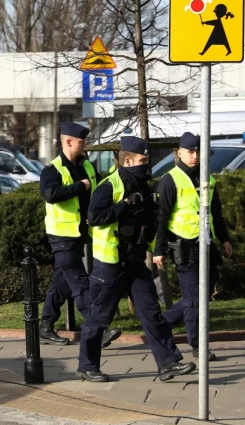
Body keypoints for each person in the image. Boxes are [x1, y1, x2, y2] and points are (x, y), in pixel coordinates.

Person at [78, 136, 195, 383]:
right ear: (128, 161)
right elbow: (94, 217)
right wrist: (123, 205)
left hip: (135, 262)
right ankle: (87, 366)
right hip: (110, 263)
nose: (146, 164)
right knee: (99, 317)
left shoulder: (143, 185)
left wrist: (158, 244)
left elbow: (150, 220)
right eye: (142, 160)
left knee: (152, 313)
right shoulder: (110, 185)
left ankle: (168, 363)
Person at [39, 122, 120, 347]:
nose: (85, 145)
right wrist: (80, 186)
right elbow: (50, 194)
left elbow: (98, 191)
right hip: (61, 235)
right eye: (81, 142)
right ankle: (97, 330)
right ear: (68, 142)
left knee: (62, 282)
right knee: (79, 282)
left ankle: (45, 326)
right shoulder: (52, 170)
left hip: (79, 233)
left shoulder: (87, 166)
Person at [153, 132, 232, 362]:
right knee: (194, 297)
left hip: (206, 244)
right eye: (190, 152)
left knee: (200, 294)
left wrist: (224, 239)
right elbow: (161, 218)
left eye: (198, 152)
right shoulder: (170, 179)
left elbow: (216, 212)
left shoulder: (207, 178)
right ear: (179, 153)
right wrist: (158, 250)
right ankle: (198, 345)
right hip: (184, 246)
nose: (195, 156)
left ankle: (163, 323)